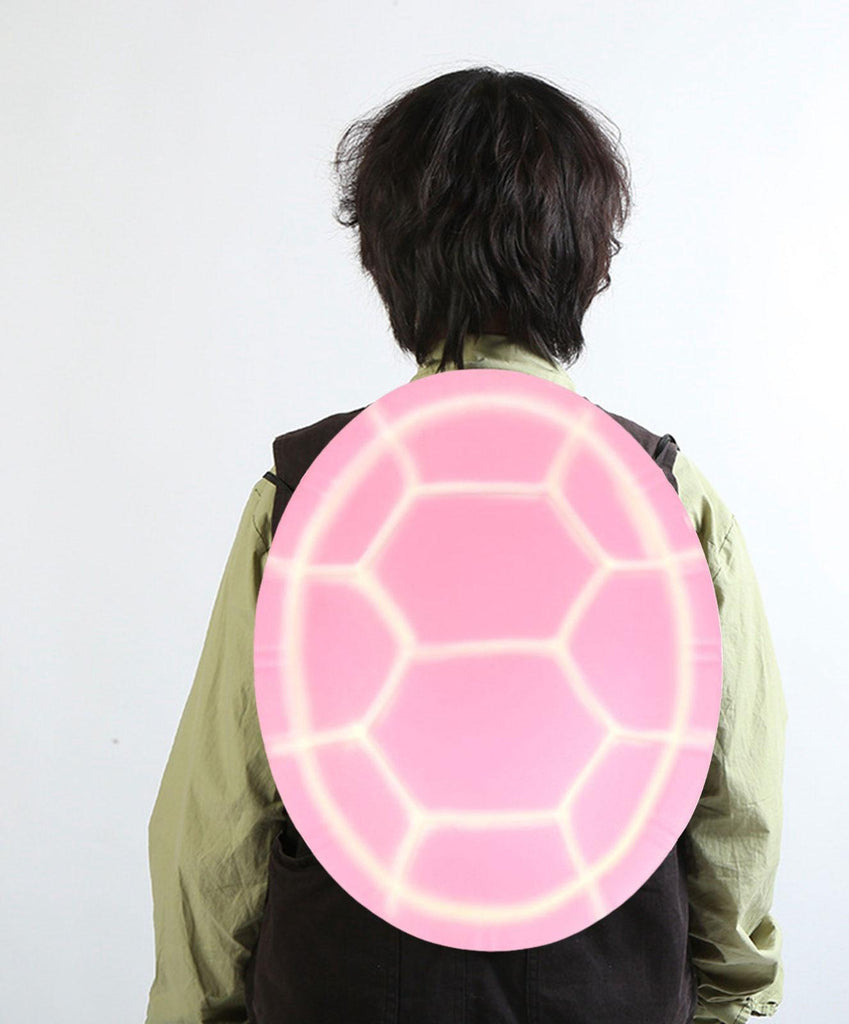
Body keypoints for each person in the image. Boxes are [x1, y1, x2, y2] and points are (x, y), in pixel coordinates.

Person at [144, 67, 787, 1024]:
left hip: (338, 988)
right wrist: (735, 1005)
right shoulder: (669, 495)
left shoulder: (305, 493)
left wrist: (194, 1013)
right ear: (588, 257)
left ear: (388, 258)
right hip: (609, 986)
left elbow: (217, 815)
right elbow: (736, 808)